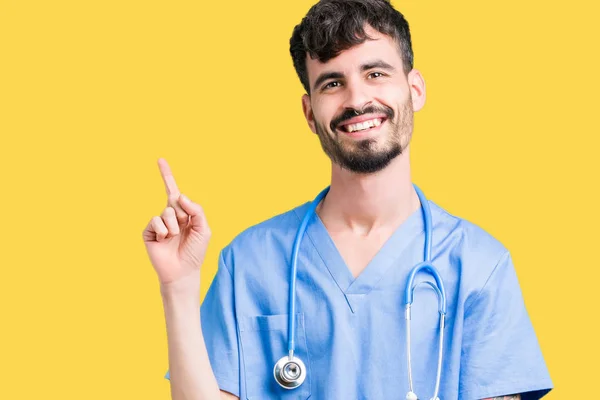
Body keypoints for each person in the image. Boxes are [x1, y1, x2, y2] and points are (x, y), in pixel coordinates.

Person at [142, 0, 553, 399]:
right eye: (333, 83)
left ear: (415, 90)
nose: (356, 100)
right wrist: (178, 287)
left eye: (375, 74)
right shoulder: (250, 262)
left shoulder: (479, 266)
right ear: (309, 113)